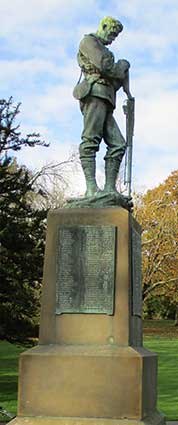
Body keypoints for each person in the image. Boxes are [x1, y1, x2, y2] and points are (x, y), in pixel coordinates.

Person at [73, 16, 133, 197]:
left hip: (106, 98)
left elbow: (113, 79)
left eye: (116, 36)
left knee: (118, 144)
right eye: (112, 33)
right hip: (95, 94)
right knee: (91, 139)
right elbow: (106, 66)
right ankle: (91, 188)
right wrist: (122, 66)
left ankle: (109, 189)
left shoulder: (104, 49)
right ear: (104, 26)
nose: (113, 38)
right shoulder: (88, 41)